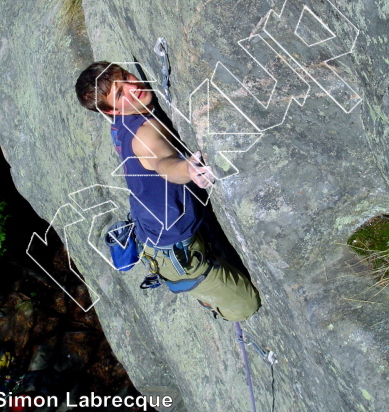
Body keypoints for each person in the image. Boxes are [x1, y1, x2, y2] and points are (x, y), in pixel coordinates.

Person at [75, 61, 260, 321]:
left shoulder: (120, 126)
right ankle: (205, 295)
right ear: (112, 110)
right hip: (175, 248)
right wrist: (188, 170)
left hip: (157, 227)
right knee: (246, 306)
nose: (132, 87)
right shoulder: (144, 133)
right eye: (119, 94)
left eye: (126, 77)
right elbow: (163, 164)